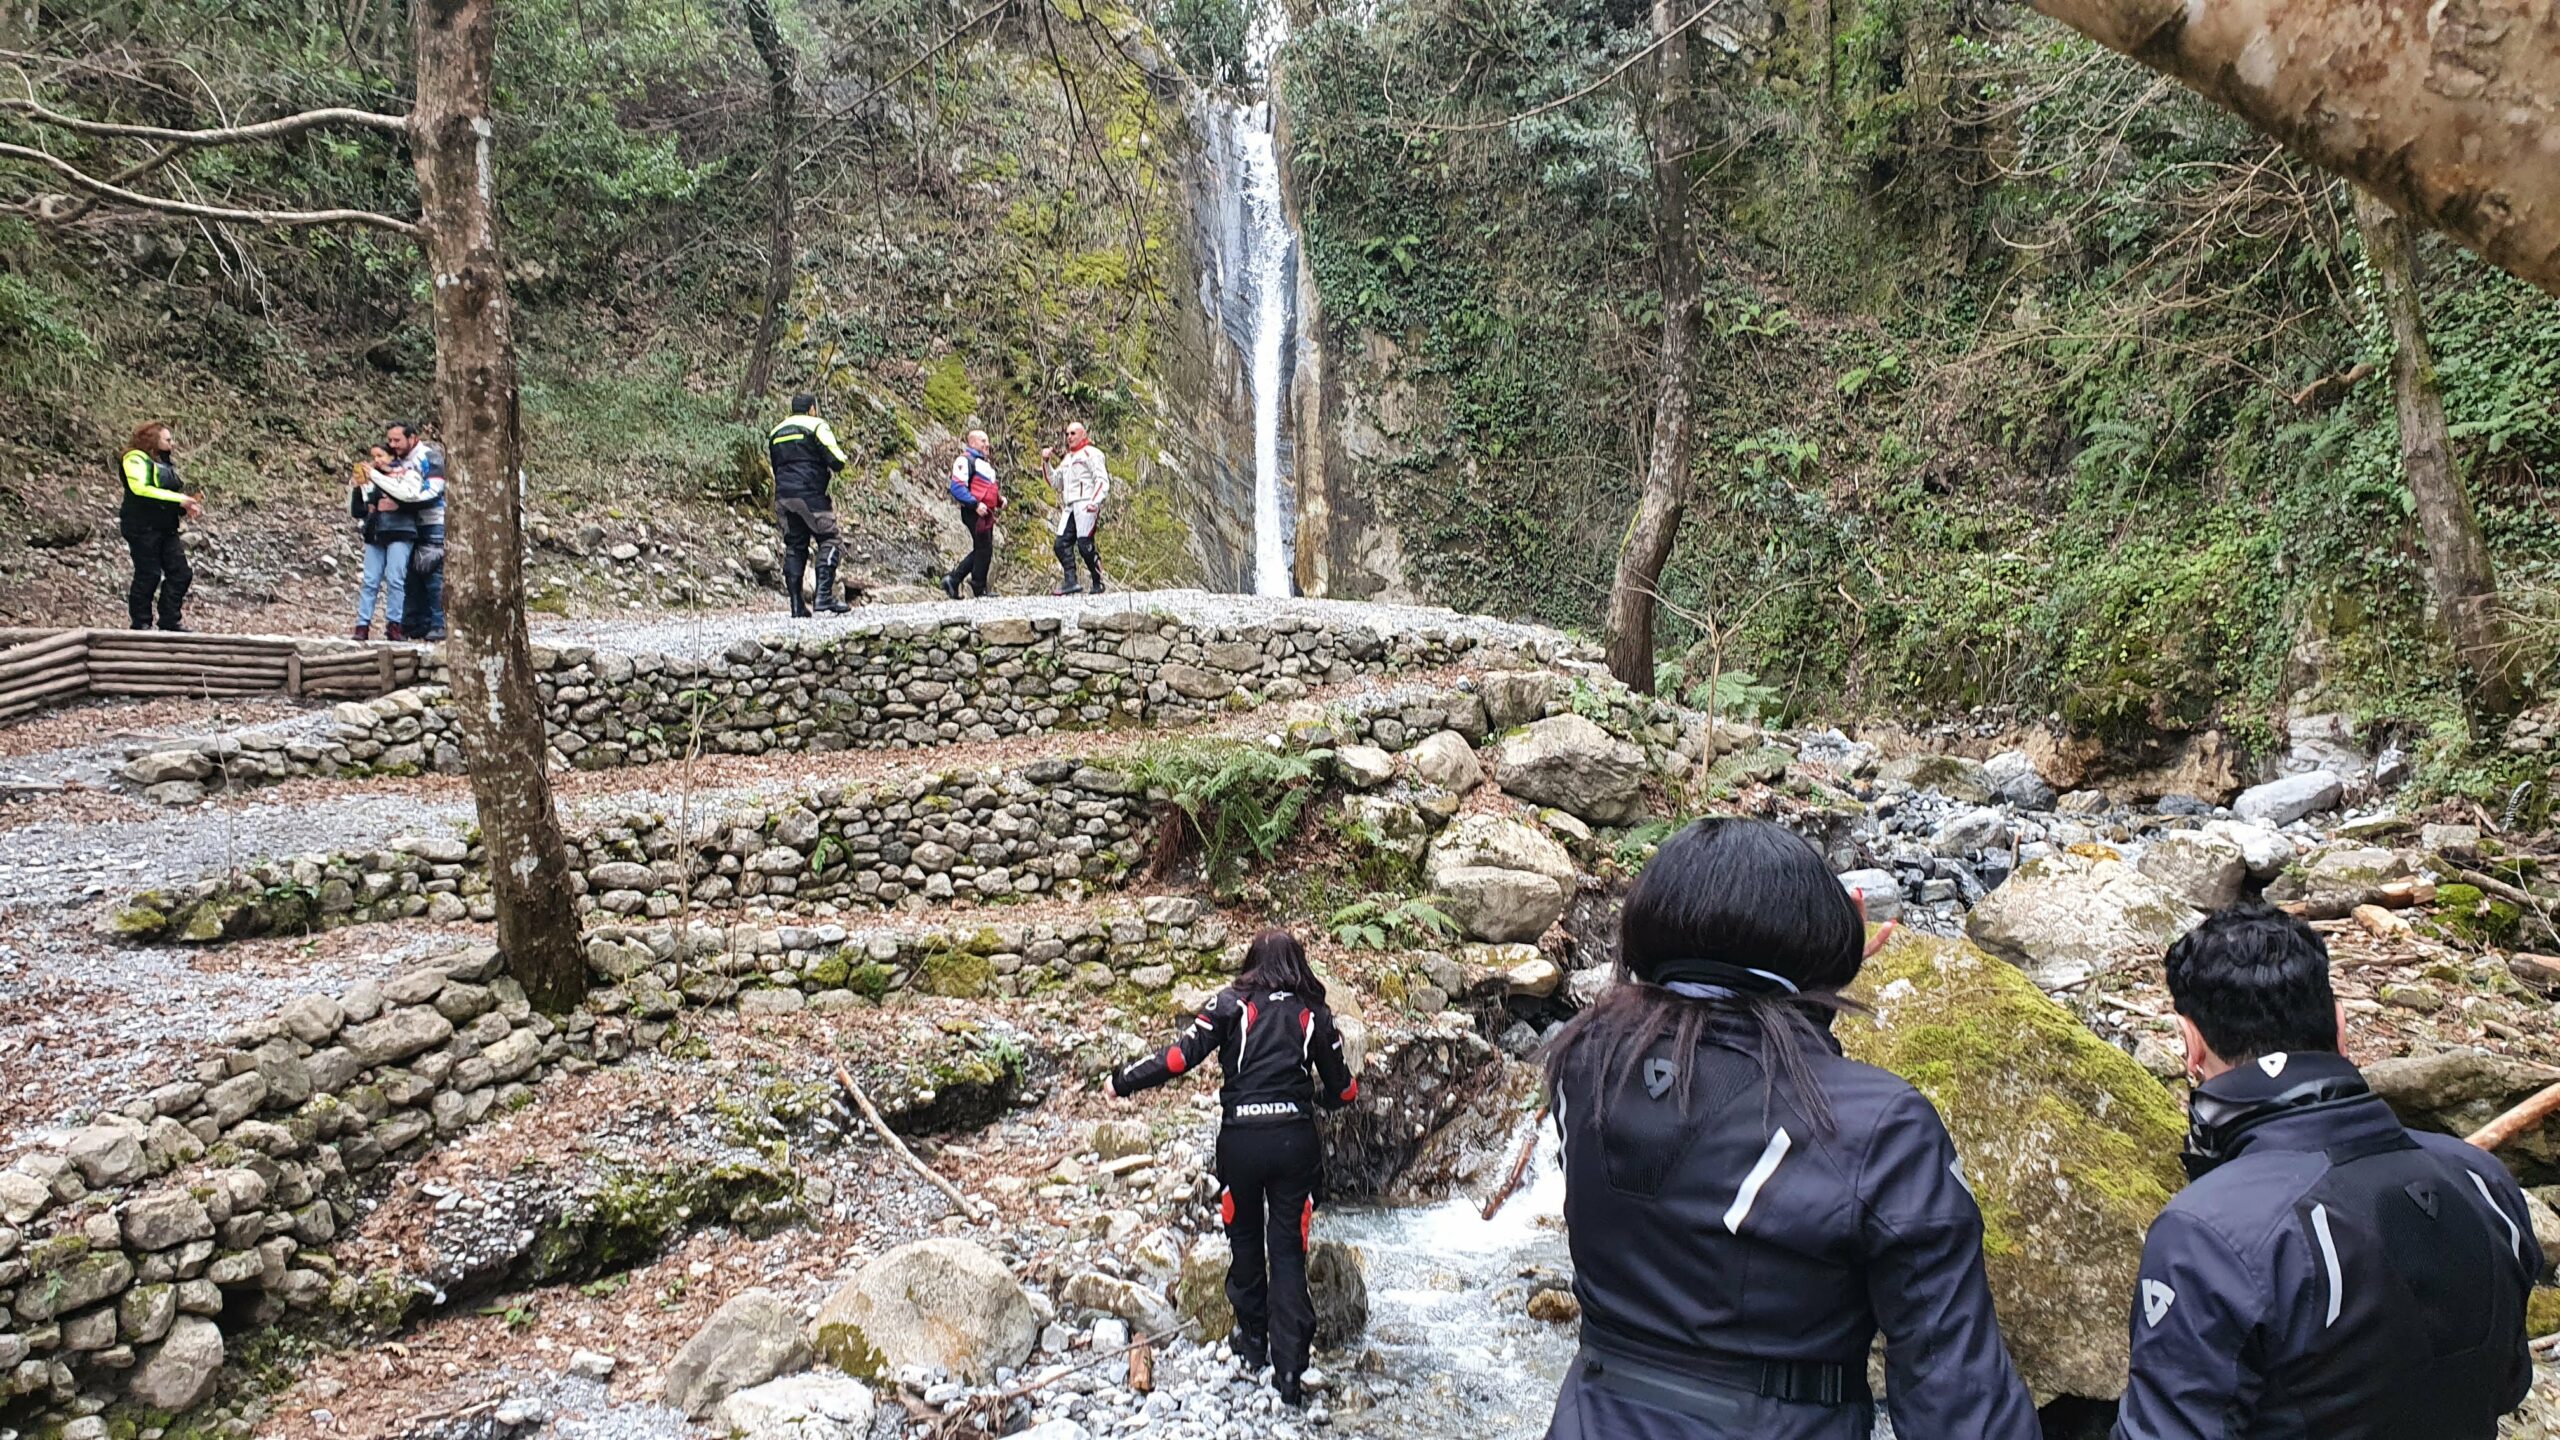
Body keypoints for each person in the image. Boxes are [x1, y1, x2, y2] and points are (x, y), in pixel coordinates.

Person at [1542, 818, 2038, 1440]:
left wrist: (1798, 994)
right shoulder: (1878, 1125)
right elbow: (1957, 1394)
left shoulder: (1583, 1064)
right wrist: (1816, 990)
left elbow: (1710, 1052)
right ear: (1820, 951)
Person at [2113, 904, 2539, 1440]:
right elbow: (2509, 1383)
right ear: (2340, 1026)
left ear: (2190, 1044)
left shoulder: (2207, 1232)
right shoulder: (2482, 1179)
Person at [1105, 929, 1357, 1408]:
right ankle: (1289, 1371)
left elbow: (1178, 1058)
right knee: (1287, 1251)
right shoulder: (1314, 1015)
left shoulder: (1228, 1004)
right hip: (1294, 1142)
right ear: (1299, 965)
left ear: (1251, 962)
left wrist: (1122, 1082)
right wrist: (1318, 1099)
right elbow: (1345, 1091)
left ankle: (1251, 1344)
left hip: (1240, 1141)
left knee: (1243, 1238)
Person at [768, 392, 852, 616]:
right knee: (830, 539)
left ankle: (797, 605)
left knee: (795, 546)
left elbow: (775, 465)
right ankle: (823, 596)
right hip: (810, 494)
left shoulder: (776, 431)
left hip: (783, 496)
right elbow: (837, 460)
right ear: (812, 409)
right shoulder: (816, 425)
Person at [117, 421, 203, 632]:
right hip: (141, 527)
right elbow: (140, 489)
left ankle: (169, 620)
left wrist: (185, 506)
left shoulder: (164, 463)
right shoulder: (134, 459)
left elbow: (165, 498)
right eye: (167, 440)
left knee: (181, 573)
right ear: (153, 441)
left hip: (165, 528)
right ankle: (141, 623)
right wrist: (178, 499)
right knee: (149, 574)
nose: (172, 444)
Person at [351, 444, 424, 640]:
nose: (377, 460)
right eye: (374, 456)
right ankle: (362, 625)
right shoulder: (372, 478)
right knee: (370, 580)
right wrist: (358, 489)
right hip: (376, 533)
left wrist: (378, 480)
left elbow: (406, 496)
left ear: (392, 457)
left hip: (400, 532)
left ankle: (395, 624)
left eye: (381, 455)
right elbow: (359, 510)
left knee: (395, 579)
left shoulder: (407, 475)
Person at [387, 422, 448, 641]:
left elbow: (433, 491)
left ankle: (439, 623)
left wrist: (404, 501)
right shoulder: (393, 461)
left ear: (412, 438)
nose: (393, 445)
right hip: (406, 526)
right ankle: (414, 622)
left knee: (432, 572)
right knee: (410, 575)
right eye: (390, 440)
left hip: (433, 523)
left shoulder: (430, 458)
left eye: (397, 440)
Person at [1043, 420, 1109, 595]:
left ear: (1083, 434)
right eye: (1067, 434)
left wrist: (1094, 501)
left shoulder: (1092, 454)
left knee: (1084, 544)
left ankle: (1098, 581)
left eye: (1073, 433)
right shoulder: (1068, 458)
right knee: (1060, 544)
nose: (1069, 437)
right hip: (1070, 505)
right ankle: (1071, 581)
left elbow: (1101, 480)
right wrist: (1046, 462)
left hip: (1086, 502)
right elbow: (1055, 481)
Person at [941, 430, 1003, 599]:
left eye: (988, 440)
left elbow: (986, 489)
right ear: (973, 443)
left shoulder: (983, 463)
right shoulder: (964, 460)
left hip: (986, 513)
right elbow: (957, 488)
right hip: (974, 512)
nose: (987, 444)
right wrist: (975, 504)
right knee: (984, 549)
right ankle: (978, 588)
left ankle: (954, 580)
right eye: (983, 441)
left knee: (983, 549)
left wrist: (999, 500)